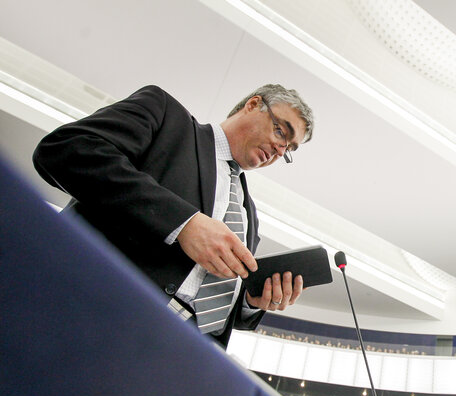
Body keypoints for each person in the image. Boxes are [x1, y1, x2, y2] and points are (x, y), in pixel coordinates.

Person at [33, 84, 313, 346]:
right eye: (280, 132)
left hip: (173, 356)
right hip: (90, 311)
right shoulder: (166, 117)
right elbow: (66, 149)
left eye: (289, 149)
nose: (280, 150)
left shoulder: (249, 216)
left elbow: (215, 301)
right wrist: (183, 223)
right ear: (253, 105)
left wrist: (251, 301)